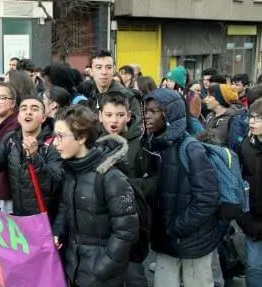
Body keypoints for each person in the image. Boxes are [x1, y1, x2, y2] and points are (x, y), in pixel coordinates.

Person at [52, 104, 139, 287]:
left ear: (82, 137)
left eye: (61, 136)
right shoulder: (71, 169)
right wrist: (59, 230)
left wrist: (103, 267)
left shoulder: (111, 177)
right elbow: (65, 206)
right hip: (74, 265)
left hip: (101, 275)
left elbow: (126, 231)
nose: (55, 142)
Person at [142, 88, 221, 287]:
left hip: (192, 242)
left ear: (171, 114)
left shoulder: (191, 148)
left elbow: (208, 198)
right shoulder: (152, 144)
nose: (147, 115)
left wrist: (178, 227)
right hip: (166, 241)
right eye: (146, 110)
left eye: (155, 111)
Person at [0, 95, 63, 222]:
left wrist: (35, 158)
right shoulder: (11, 139)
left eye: (34, 109)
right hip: (19, 219)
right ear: (19, 117)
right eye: (24, 109)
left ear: (43, 118)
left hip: (45, 221)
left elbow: (55, 185)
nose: (28, 112)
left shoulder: (53, 144)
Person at [98, 91, 157, 287]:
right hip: (101, 224)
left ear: (129, 116)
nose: (114, 120)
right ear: (100, 116)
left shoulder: (142, 144)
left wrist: (126, 187)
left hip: (133, 224)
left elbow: (155, 181)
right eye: (108, 115)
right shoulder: (91, 142)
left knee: (134, 275)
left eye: (120, 115)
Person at [237, 98, 262, 287]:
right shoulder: (245, 145)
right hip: (253, 220)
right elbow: (240, 183)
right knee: (254, 267)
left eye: (259, 118)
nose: (252, 122)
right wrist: (244, 217)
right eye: (251, 117)